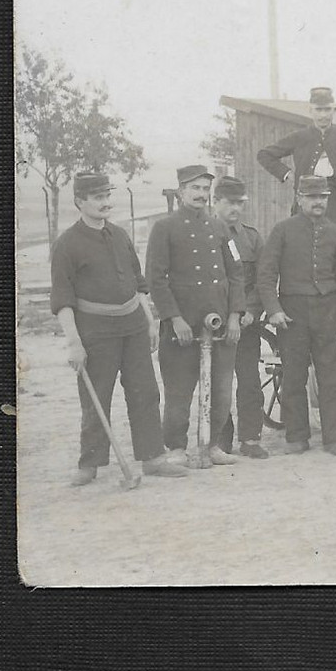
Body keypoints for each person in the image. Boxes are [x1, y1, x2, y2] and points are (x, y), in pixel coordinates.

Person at [51, 172, 186, 486]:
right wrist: (74, 343)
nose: (105, 203)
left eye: (107, 196)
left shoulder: (120, 235)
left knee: (145, 392)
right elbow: (62, 299)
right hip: (95, 330)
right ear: (79, 202)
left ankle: (153, 458)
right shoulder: (66, 244)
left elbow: (139, 285)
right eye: (97, 197)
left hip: (134, 326)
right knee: (96, 396)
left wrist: (149, 322)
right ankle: (90, 464)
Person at [256, 175, 336, 456]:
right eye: (312, 197)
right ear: (299, 199)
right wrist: (274, 310)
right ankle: (296, 436)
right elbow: (266, 274)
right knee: (293, 376)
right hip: (292, 314)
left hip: (328, 312)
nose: (318, 203)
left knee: (333, 376)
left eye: (323, 197)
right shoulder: (282, 231)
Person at [146, 164, 245, 467]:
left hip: (219, 324)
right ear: (181, 192)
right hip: (182, 327)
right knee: (179, 390)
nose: (201, 194)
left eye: (205, 189)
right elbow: (156, 278)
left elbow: (237, 273)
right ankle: (176, 447)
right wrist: (173, 318)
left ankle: (212, 445)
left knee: (221, 389)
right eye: (195, 188)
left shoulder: (220, 228)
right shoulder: (164, 228)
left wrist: (234, 316)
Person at [257, 85, 336, 249]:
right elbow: (265, 155)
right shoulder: (299, 137)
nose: (323, 115)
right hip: (306, 203)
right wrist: (287, 174)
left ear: (334, 110)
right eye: (318, 110)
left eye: (327, 110)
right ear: (310, 110)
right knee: (303, 249)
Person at [211, 176, 268, 458]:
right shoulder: (204, 234)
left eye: (239, 203)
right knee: (218, 381)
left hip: (247, 323)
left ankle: (250, 438)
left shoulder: (252, 238)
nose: (235, 209)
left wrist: (252, 312)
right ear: (216, 202)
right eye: (229, 203)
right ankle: (221, 439)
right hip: (215, 323)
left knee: (249, 380)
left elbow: (262, 280)